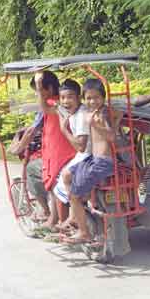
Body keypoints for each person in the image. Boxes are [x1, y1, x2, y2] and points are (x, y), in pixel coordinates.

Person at [62, 79, 122, 244]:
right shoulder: (99, 112)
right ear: (84, 99)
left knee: (74, 195)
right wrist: (114, 122)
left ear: (102, 98)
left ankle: (84, 232)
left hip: (102, 162)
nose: (92, 101)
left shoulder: (99, 115)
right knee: (68, 175)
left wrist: (95, 126)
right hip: (95, 159)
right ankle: (79, 212)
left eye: (96, 98)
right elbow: (119, 113)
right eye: (88, 98)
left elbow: (111, 137)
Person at [34, 71, 77, 230]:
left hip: (65, 155)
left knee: (53, 185)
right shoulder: (68, 106)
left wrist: (39, 86)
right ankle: (55, 218)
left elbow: (45, 108)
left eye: (39, 91)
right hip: (65, 153)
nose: (66, 100)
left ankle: (57, 220)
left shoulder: (57, 104)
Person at [52, 79, 90, 232]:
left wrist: (63, 130)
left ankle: (72, 218)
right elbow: (60, 108)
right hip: (86, 154)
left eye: (70, 97)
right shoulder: (76, 111)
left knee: (61, 180)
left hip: (87, 155)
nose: (66, 101)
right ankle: (71, 216)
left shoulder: (80, 116)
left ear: (79, 98)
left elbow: (81, 146)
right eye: (62, 98)